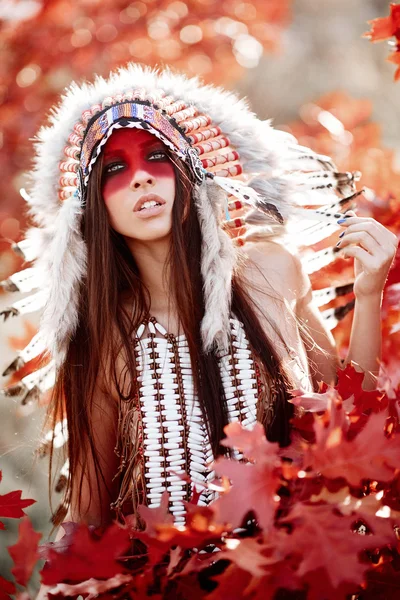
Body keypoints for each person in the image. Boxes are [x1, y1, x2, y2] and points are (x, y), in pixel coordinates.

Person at [1, 64, 397, 539]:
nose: (142, 179)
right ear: (95, 207)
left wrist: (369, 291)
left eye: (156, 155)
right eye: (115, 168)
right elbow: (86, 520)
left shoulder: (271, 270)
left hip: (293, 566)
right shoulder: (104, 336)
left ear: (189, 167)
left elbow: (349, 417)